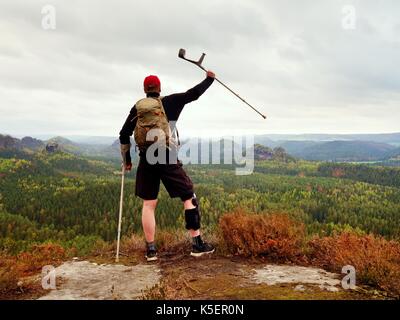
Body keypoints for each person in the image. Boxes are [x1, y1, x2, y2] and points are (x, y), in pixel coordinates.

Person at [119, 70, 216, 261]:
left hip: (146, 157)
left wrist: (127, 160)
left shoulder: (138, 109)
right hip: (166, 156)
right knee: (189, 196)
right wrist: (209, 80)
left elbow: (123, 134)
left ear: (145, 90)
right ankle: (197, 245)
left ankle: (151, 251)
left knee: (149, 204)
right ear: (159, 88)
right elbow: (193, 94)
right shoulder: (170, 102)